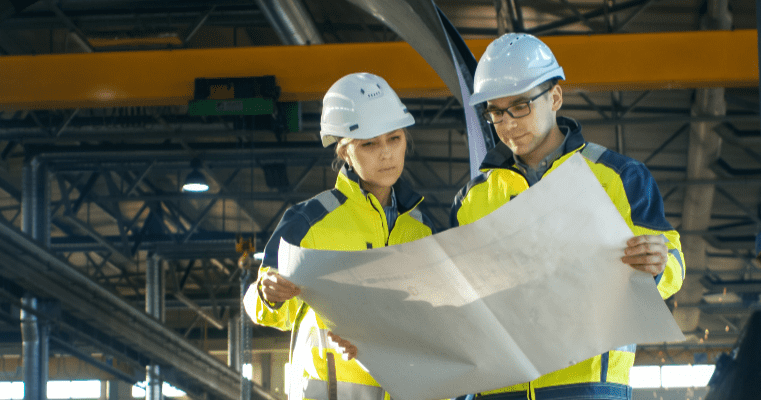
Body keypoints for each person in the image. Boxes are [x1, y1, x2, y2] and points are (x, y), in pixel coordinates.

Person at [451, 33, 683, 400]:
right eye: (496, 111)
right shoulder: (471, 199)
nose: (508, 123)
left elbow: (673, 262)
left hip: (588, 386)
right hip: (498, 390)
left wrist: (660, 263)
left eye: (520, 105)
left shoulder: (618, 177)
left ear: (555, 97)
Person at [244, 72, 443, 400]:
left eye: (394, 139)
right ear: (344, 151)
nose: (386, 154)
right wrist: (267, 295)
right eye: (369, 144)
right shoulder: (308, 222)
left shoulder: (423, 230)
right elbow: (264, 305)